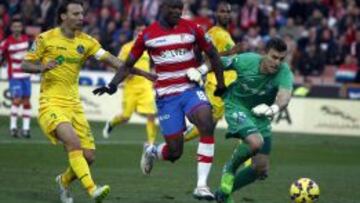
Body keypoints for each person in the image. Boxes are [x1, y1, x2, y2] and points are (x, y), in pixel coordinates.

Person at [93, 0, 226, 200]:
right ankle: (152, 151)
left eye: (179, 9)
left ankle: (201, 185)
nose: (176, 12)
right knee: (174, 152)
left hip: (191, 90)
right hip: (167, 96)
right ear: (162, 9)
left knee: (207, 122)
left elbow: (214, 55)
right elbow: (128, 64)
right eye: (172, 8)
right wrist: (112, 85)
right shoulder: (147, 35)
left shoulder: (193, 28)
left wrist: (221, 85)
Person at [21, 1, 152, 202]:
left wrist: (144, 73)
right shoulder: (45, 39)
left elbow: (117, 63)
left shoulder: (88, 42)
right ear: (63, 16)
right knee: (73, 143)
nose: (82, 17)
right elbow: (25, 64)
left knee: (88, 157)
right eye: (76, 13)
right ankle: (92, 190)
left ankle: (63, 182)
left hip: (75, 105)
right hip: (51, 102)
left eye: (82, 13)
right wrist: (41, 67)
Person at [214, 38, 294, 203]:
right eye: (273, 57)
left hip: (261, 116)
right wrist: (201, 71)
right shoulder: (247, 60)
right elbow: (217, 62)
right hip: (238, 106)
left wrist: (273, 109)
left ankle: (224, 194)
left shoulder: (284, 72)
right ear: (264, 53)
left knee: (260, 168)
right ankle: (229, 168)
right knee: (256, 143)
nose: (277, 62)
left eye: (281, 59)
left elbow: (284, 96)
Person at [184, 1, 243, 142]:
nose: (226, 14)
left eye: (228, 12)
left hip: (230, 84)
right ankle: (173, 142)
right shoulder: (212, 33)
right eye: (222, 11)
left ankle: (249, 160)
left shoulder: (226, 34)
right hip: (217, 84)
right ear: (216, 14)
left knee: (214, 127)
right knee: (208, 124)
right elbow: (206, 57)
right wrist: (230, 52)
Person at [102, 21, 158, 146]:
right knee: (126, 117)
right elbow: (118, 65)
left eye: (143, 30)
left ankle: (151, 142)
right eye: (139, 30)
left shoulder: (149, 48)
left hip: (145, 87)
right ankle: (111, 123)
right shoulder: (127, 47)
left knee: (151, 114)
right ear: (134, 31)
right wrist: (126, 73)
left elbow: (153, 65)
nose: (141, 33)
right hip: (130, 87)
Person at [0, 18, 32, 138]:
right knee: (17, 100)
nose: (17, 28)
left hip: (26, 75)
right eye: (15, 26)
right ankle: (13, 127)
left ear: (21, 28)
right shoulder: (7, 42)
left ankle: (26, 129)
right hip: (14, 76)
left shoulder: (26, 40)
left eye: (19, 26)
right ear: (11, 28)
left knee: (27, 101)